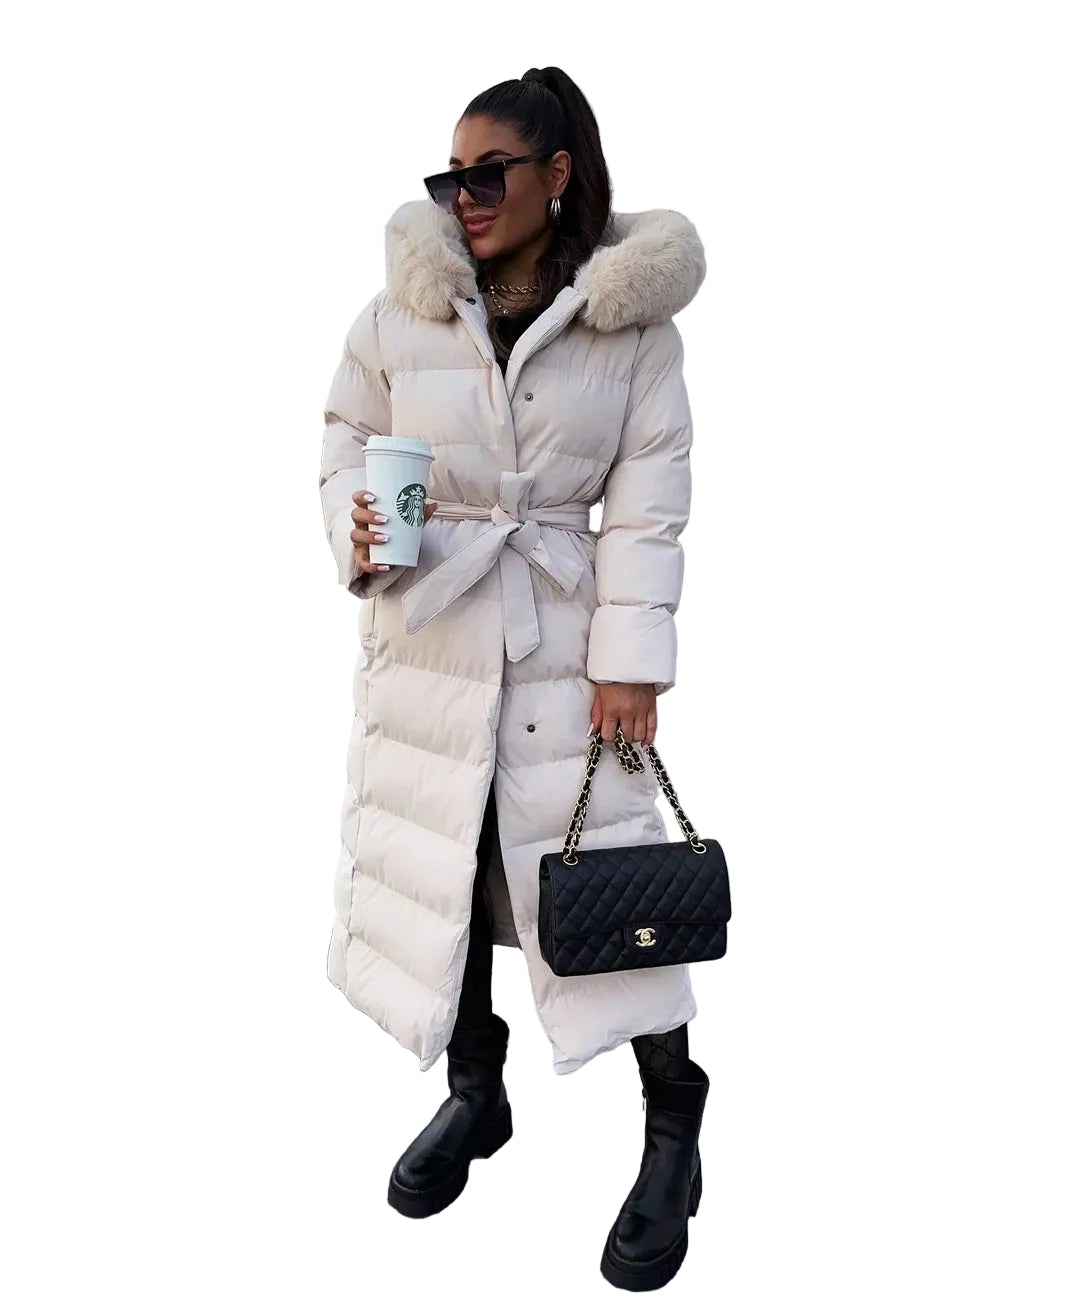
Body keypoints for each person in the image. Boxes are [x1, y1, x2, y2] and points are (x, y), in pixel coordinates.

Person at [318, 66, 709, 1291]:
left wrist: (631, 666)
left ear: (558, 174)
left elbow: (648, 502)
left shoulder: (630, 328)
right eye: (451, 176)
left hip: (562, 646)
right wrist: (360, 526)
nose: (465, 197)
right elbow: (345, 438)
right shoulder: (400, 313)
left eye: (489, 172)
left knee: (609, 878)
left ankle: (673, 1125)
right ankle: (475, 1092)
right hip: (432, 635)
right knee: (451, 869)